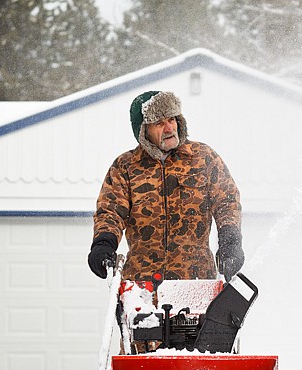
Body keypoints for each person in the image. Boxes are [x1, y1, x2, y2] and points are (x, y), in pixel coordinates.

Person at [87, 90, 244, 284]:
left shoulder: (202, 157)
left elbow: (227, 201)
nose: (169, 127)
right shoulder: (125, 166)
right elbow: (111, 212)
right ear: (143, 131)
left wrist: (230, 241)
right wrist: (103, 244)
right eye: (159, 123)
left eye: (172, 119)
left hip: (196, 281)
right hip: (141, 286)